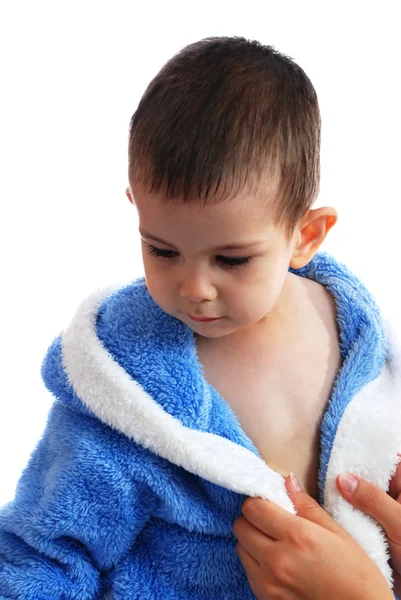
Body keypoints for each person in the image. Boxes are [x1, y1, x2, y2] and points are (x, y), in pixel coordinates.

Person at [0, 35, 400, 600]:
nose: (194, 289)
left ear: (305, 236)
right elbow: (45, 551)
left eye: (232, 259)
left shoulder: (361, 344)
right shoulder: (129, 389)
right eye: (162, 250)